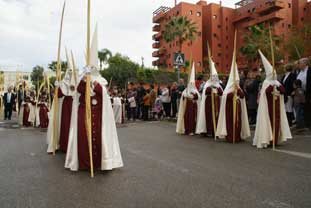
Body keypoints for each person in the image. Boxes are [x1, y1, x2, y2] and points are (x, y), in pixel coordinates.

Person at [65, 27, 123, 171]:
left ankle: (100, 163)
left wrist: (94, 84)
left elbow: (103, 94)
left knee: (99, 138)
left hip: (98, 114)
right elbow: (77, 90)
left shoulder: (101, 80)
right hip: (84, 112)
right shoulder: (82, 79)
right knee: (84, 138)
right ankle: (85, 163)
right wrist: (85, 79)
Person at [253, 50, 292, 148]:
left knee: (277, 123)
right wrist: (271, 85)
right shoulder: (266, 82)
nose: (274, 76)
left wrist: (277, 85)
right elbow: (265, 93)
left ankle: (275, 139)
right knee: (269, 123)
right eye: (272, 75)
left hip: (277, 107)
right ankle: (268, 139)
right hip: (268, 108)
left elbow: (283, 91)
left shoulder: (277, 82)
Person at [47, 53, 77, 153]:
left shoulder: (77, 82)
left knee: (74, 125)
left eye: (72, 71)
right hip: (65, 106)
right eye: (69, 71)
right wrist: (57, 87)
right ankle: (64, 145)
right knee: (64, 124)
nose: (70, 73)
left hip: (75, 105)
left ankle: (74, 144)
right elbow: (58, 95)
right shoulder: (63, 82)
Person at [216, 58, 250, 143]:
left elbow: (242, 96)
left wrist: (238, 90)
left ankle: (237, 136)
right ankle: (231, 137)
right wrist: (233, 92)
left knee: (238, 122)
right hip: (230, 109)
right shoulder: (228, 89)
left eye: (238, 82)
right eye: (236, 81)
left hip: (237, 108)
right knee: (231, 123)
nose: (237, 83)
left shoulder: (238, 89)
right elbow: (225, 97)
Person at [196, 59, 223, 137]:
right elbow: (206, 92)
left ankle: (216, 132)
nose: (214, 78)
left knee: (216, 117)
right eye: (213, 76)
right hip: (208, 104)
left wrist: (216, 88)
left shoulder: (218, 86)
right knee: (208, 117)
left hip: (216, 104)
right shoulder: (207, 85)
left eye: (215, 76)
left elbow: (221, 93)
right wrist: (210, 88)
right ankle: (208, 131)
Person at [176, 63, 200, 135]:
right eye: (191, 83)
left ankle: (193, 130)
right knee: (187, 119)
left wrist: (194, 95)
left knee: (193, 119)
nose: (192, 85)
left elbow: (198, 97)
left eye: (193, 83)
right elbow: (183, 97)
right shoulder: (185, 90)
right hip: (186, 107)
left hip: (193, 107)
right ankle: (187, 130)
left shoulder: (195, 91)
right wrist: (186, 96)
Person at [297, 58, 311, 128]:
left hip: (309, 92)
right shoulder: (299, 72)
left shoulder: (309, 70)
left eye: (299, 63)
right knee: (305, 109)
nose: (298, 65)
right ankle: (307, 123)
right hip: (302, 93)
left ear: (305, 63)